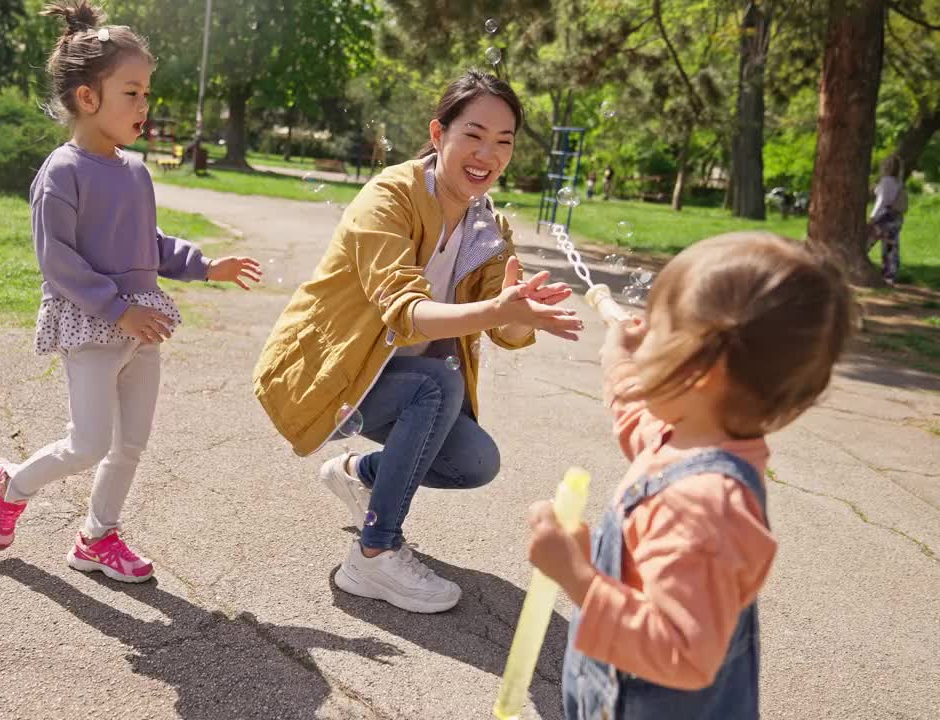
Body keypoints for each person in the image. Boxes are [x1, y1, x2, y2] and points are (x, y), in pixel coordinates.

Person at [253, 71, 583, 614]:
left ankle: (362, 476)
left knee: (475, 461)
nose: (488, 154)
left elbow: (503, 328)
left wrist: (523, 315)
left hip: (394, 383)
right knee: (435, 384)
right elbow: (403, 311)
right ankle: (373, 554)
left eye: (504, 142)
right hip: (328, 377)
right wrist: (498, 310)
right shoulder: (389, 196)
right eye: (473, 135)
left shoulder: (486, 227)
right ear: (438, 133)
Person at [0, 0, 261, 583]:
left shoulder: (135, 171)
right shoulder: (63, 172)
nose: (144, 106)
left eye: (147, 93)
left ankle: (96, 537)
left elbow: (146, 243)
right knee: (87, 442)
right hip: (93, 325)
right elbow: (58, 262)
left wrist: (207, 266)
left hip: (142, 326)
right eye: (132, 93)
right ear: (88, 98)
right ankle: (12, 483)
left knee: (130, 445)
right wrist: (116, 310)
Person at [525, 232, 852, 719]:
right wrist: (619, 360)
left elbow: (683, 654)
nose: (642, 332)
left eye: (657, 328)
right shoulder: (699, 435)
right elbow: (638, 420)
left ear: (702, 372)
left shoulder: (703, 505)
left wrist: (576, 576)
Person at [868, 154, 908, 286]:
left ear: (886, 167)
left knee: (867, 241)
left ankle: (850, 265)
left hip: (884, 217)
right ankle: (890, 275)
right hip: (896, 218)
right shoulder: (898, 182)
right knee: (890, 247)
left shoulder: (886, 181)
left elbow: (882, 200)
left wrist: (873, 216)